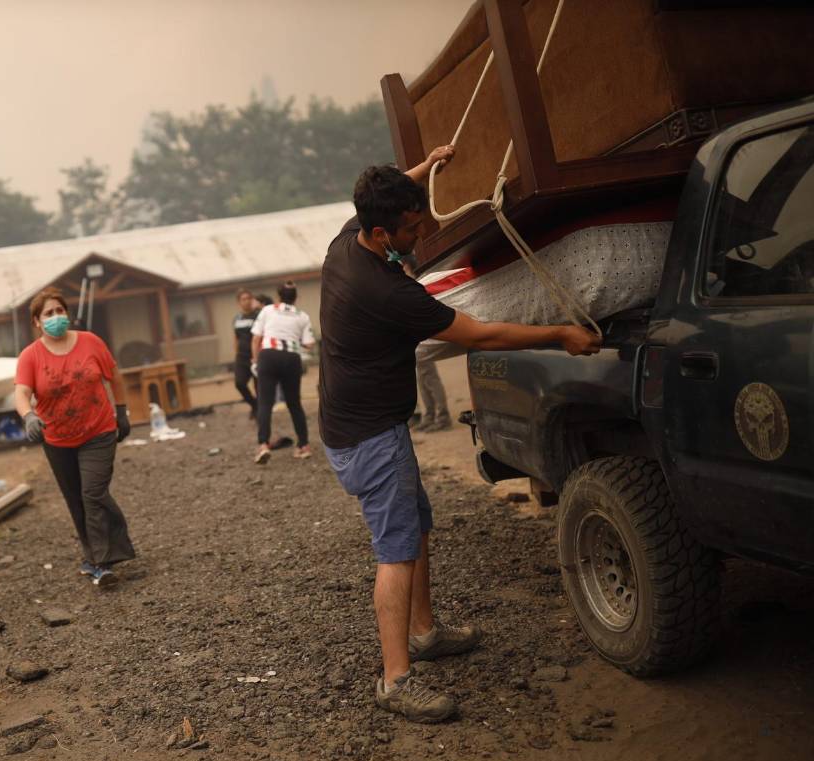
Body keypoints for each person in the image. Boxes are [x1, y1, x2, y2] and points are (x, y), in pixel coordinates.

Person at [318, 151, 601, 722]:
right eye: (411, 228)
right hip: (369, 437)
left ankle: (424, 632)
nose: (420, 233)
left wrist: (427, 165)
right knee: (395, 551)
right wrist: (559, 334)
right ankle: (396, 679)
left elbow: (396, 195)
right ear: (381, 232)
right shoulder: (388, 292)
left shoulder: (345, 242)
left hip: (362, 425)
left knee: (416, 525)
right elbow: (481, 334)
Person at [14, 287, 135, 587]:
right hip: (57, 439)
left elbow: (114, 376)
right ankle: (95, 553)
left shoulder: (91, 342)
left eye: (59, 311)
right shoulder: (30, 356)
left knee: (92, 493)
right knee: (76, 501)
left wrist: (122, 412)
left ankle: (102, 563)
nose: (56, 317)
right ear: (37, 322)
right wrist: (28, 415)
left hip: (98, 430)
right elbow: (21, 392)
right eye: (48, 314)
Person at [250, 281, 315, 464]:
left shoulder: (268, 310)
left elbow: (256, 339)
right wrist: (294, 342)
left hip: (268, 356)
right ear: (296, 298)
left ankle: (263, 444)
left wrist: (255, 361)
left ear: (278, 296)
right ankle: (303, 446)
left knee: (265, 403)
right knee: (294, 403)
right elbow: (309, 344)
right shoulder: (302, 316)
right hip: (291, 358)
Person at [231, 289, 260, 418]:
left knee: (258, 387)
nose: (246, 301)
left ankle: (260, 412)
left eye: (249, 298)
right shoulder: (236, 318)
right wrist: (236, 353)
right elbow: (235, 337)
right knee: (239, 383)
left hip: (256, 357)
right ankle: (254, 405)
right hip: (241, 357)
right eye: (243, 299)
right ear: (239, 302)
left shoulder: (259, 315)